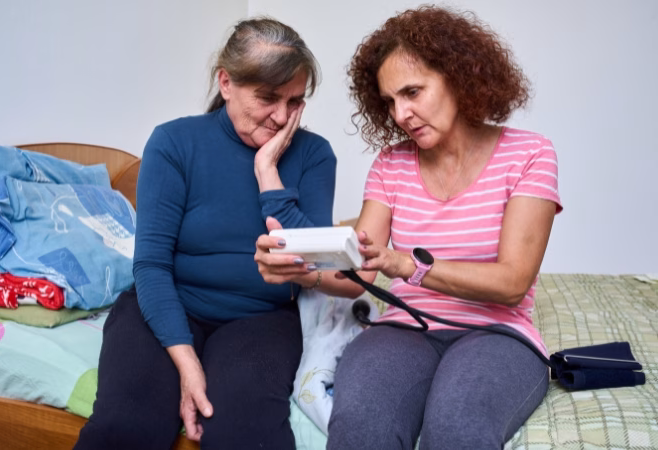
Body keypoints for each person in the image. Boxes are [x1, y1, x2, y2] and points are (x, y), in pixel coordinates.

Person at [254, 5, 562, 449]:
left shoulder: (529, 155)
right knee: (360, 424)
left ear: (459, 77)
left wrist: (407, 265)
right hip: (405, 328)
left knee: (456, 427)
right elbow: (360, 271)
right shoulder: (391, 165)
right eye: (390, 101)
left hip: (497, 333)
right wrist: (298, 270)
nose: (400, 114)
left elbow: (513, 283)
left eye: (413, 92)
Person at [74, 17, 336, 450]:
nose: (282, 116)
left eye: (295, 101)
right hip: (163, 304)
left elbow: (314, 260)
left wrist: (268, 173)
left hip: (262, 317)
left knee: (244, 435)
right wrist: (187, 361)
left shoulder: (313, 155)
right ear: (226, 82)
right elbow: (152, 265)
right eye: (268, 98)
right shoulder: (174, 143)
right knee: (124, 428)